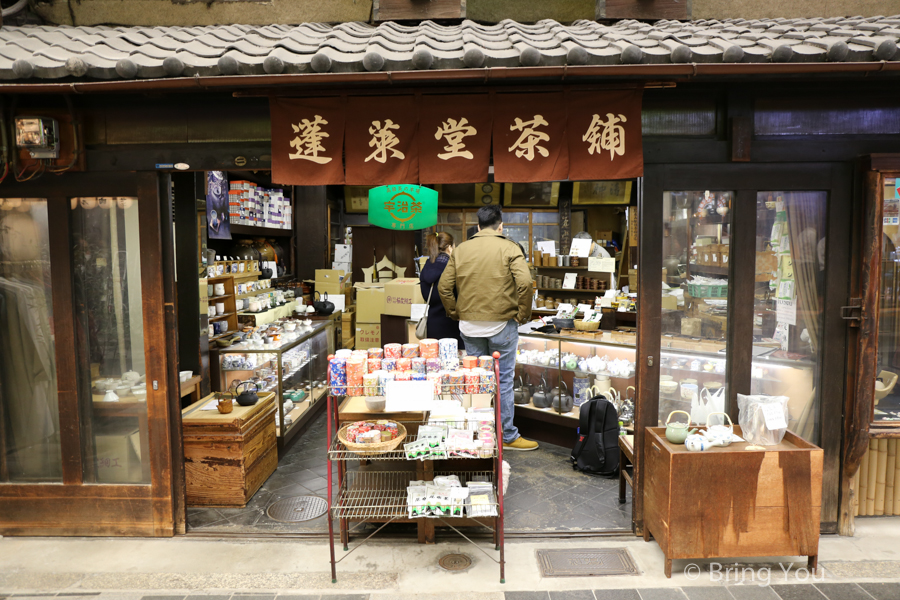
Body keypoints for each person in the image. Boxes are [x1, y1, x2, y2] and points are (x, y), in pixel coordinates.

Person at [437, 205, 538, 451]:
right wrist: (522, 315)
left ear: (478, 226)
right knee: (502, 381)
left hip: (469, 326)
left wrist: (455, 312)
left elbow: (443, 287)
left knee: (476, 381)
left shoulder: (461, 250)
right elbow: (525, 283)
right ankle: (508, 436)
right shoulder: (510, 247)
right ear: (500, 226)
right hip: (503, 324)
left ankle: (477, 433)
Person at [419, 232, 461, 343]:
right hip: (453, 324)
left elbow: (425, 295)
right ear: (449, 248)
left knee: (434, 359)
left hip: (433, 324)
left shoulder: (426, 267)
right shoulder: (453, 268)